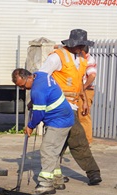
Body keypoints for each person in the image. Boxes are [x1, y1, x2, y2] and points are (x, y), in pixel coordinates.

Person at [38, 29, 102, 186]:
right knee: (76, 138)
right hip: (58, 105)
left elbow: (79, 81)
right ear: (72, 44)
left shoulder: (81, 58)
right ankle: (92, 172)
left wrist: (84, 100)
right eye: (80, 45)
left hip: (73, 104)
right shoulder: (57, 57)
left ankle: (57, 175)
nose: (82, 48)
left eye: (83, 45)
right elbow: (41, 77)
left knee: (63, 141)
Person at [12, 68, 76, 195]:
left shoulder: (37, 91)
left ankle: (46, 183)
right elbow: (46, 95)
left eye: (23, 86)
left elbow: (39, 114)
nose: (24, 89)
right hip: (63, 117)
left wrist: (30, 126)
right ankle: (57, 179)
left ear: (28, 78)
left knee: (47, 150)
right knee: (54, 151)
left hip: (59, 121)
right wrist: (33, 102)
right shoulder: (40, 75)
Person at [79, 45, 97, 143]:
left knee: (84, 115)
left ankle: (87, 141)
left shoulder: (89, 60)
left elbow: (92, 75)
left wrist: (84, 87)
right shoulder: (80, 59)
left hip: (86, 90)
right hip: (79, 90)